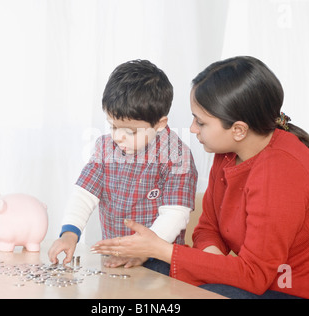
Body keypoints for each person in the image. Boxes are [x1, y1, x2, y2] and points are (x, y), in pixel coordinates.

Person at [91, 56, 309, 298]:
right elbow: (208, 227)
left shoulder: (280, 172)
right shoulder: (227, 151)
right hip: (260, 282)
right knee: (156, 269)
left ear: (239, 129)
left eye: (201, 122)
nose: (193, 129)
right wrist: (213, 267)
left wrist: (165, 250)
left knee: (181, 278)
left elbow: (254, 276)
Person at [48, 59, 198, 272]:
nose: (118, 137)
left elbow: (175, 214)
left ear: (159, 124)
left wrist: (145, 251)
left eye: (131, 131)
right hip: (113, 257)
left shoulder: (177, 155)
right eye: (113, 126)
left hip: (158, 260)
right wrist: (69, 234)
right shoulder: (106, 147)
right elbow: (84, 193)